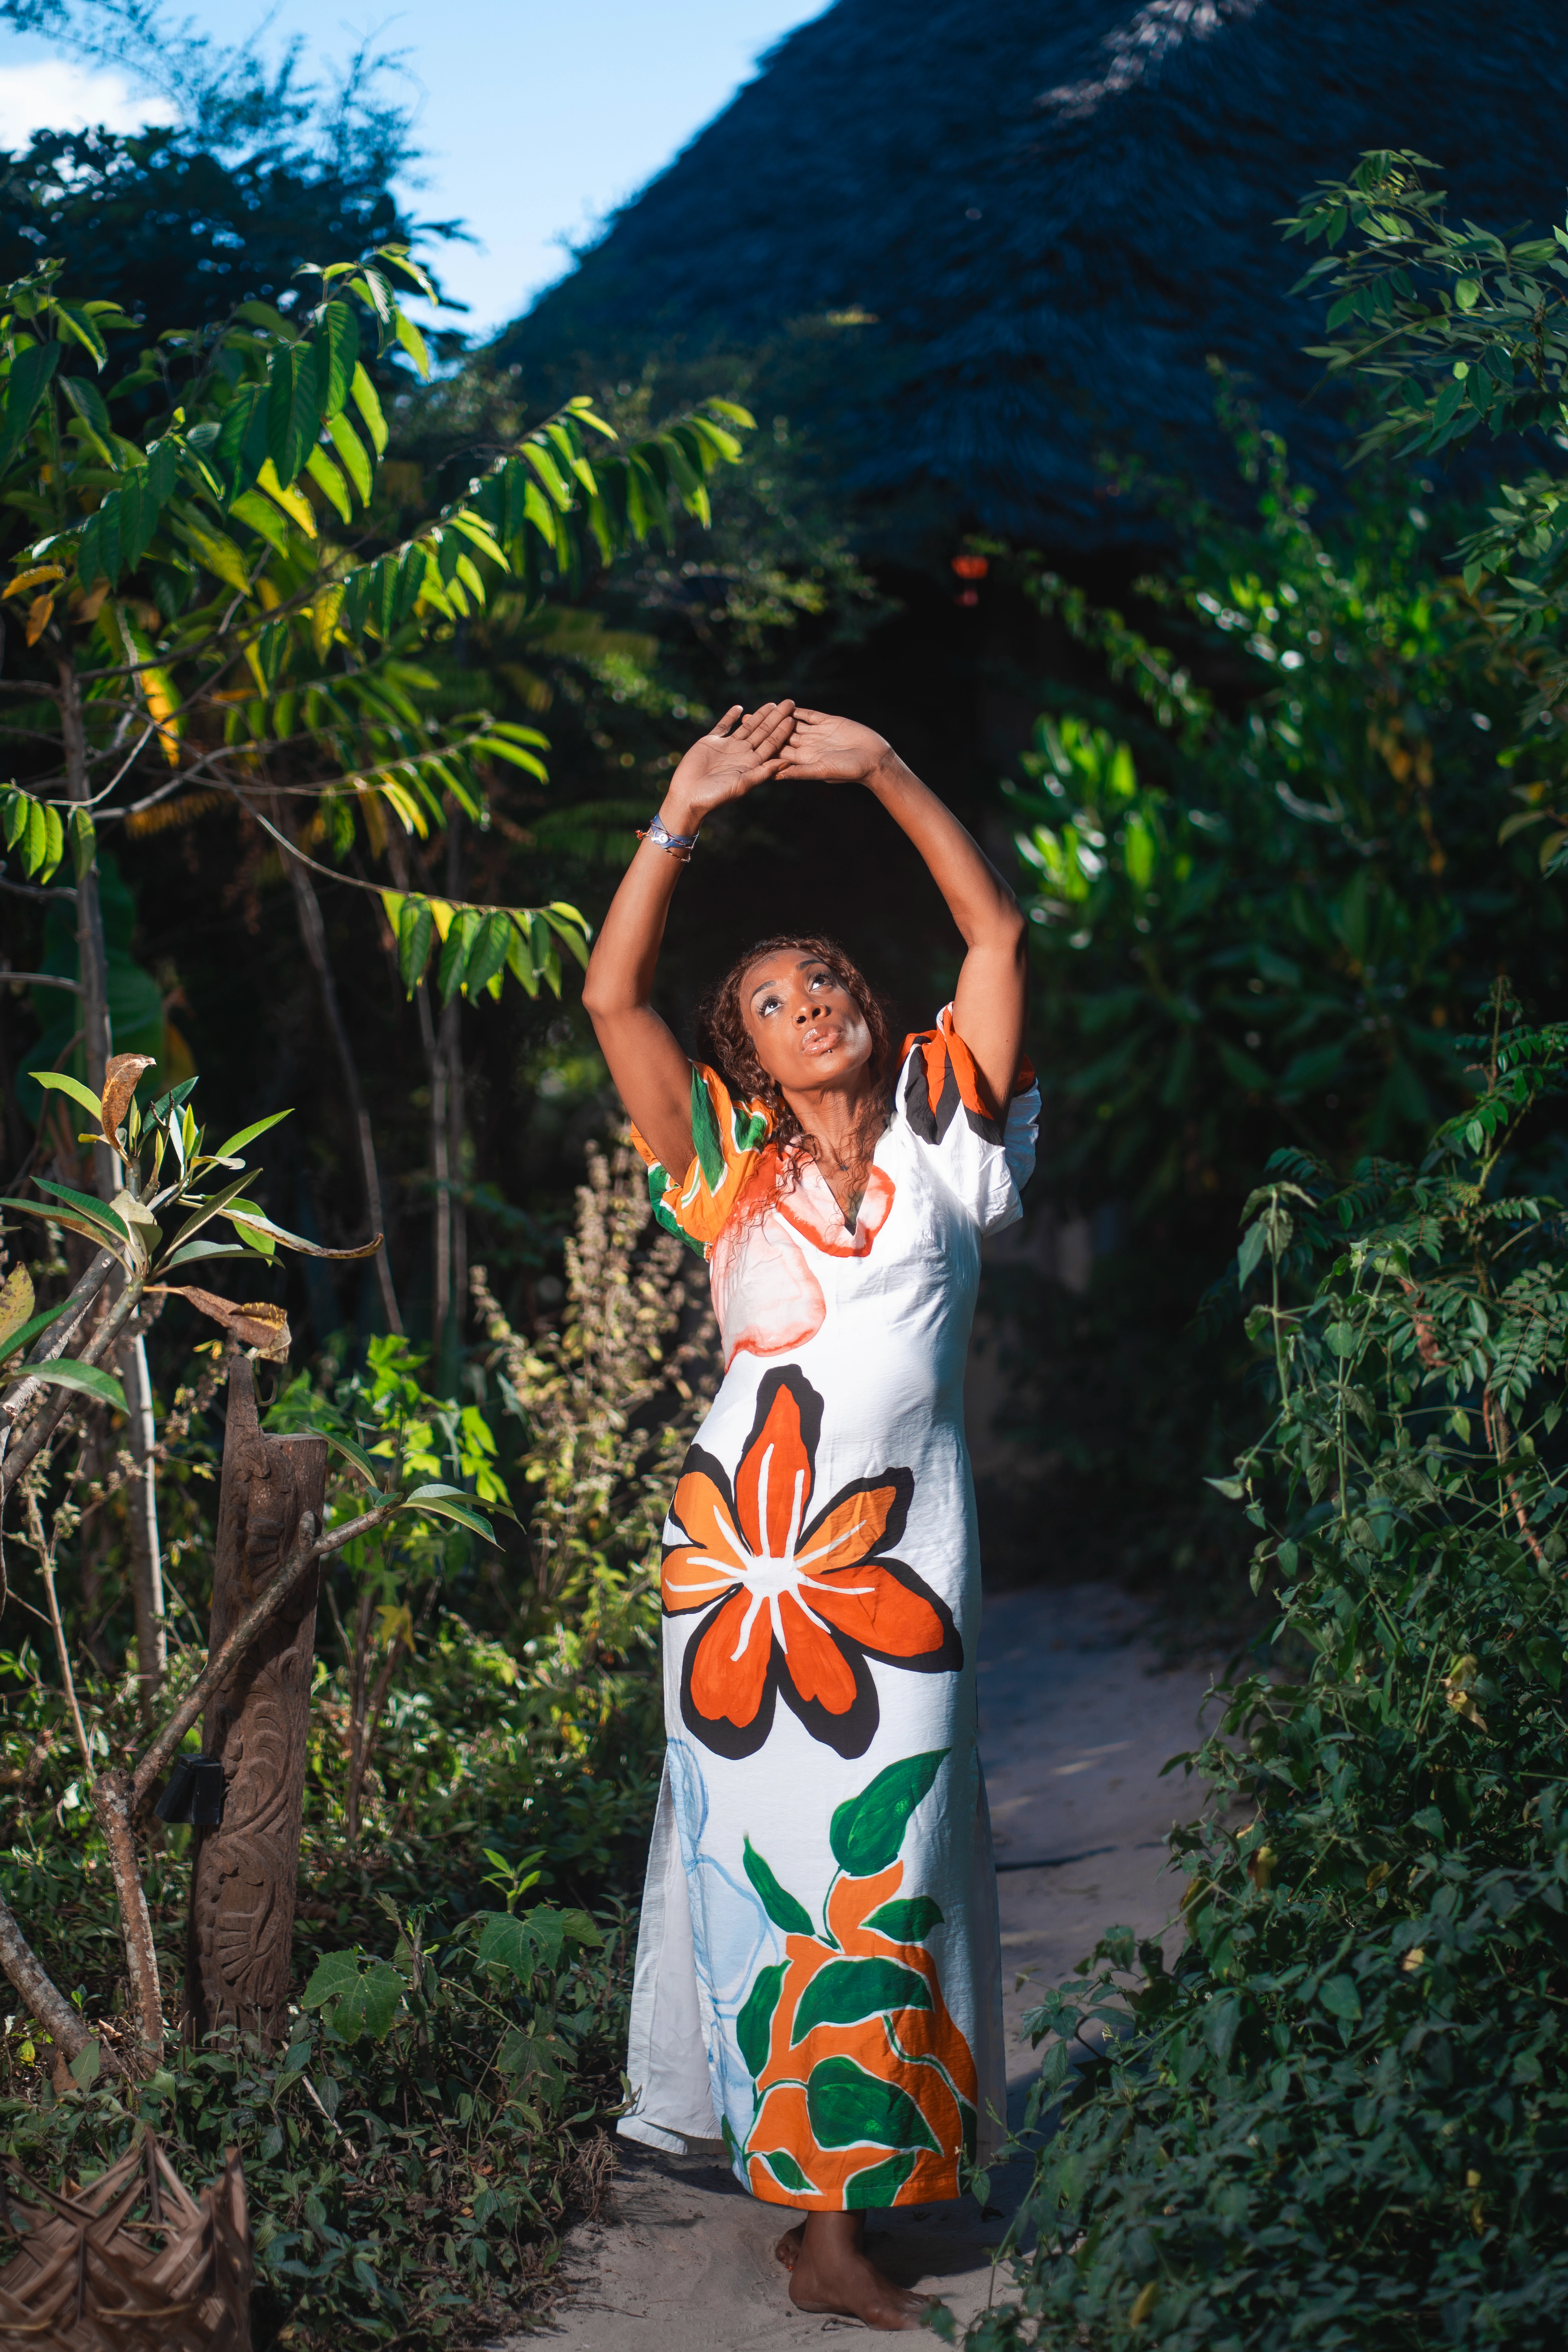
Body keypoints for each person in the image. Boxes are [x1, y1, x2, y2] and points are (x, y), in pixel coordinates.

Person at [581, 700, 1037, 2331]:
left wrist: (886, 768)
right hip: (745, 1572)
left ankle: (863, 2192)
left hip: (899, 1574)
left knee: (892, 1868)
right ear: (747, 1062)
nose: (809, 1002)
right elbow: (611, 993)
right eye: (772, 1002)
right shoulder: (720, 1170)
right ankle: (823, 2231)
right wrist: (681, 805)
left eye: (826, 979)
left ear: (868, 1004)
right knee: (766, 1878)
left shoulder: (945, 1128)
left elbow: (990, 926)